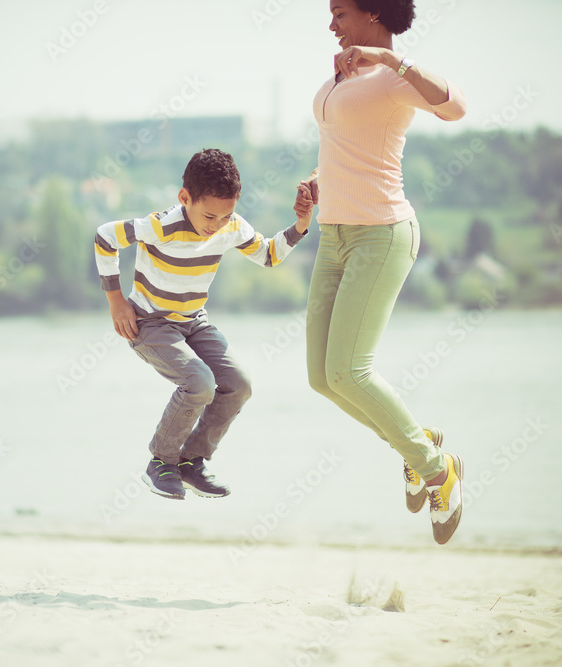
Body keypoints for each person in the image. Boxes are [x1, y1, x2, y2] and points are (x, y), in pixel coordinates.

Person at [294, 0, 468, 544]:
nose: (331, 24)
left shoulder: (394, 77)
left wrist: (391, 60)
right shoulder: (344, 74)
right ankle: (419, 443)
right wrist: (319, 180)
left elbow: (456, 107)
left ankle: (437, 471)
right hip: (334, 235)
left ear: (373, 13)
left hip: (381, 234)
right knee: (322, 377)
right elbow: (349, 143)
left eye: (340, 13)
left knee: (350, 371)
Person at [95, 148, 313, 500]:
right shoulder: (161, 226)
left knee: (239, 384)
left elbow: (269, 255)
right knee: (199, 383)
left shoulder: (232, 226)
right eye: (209, 215)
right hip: (150, 324)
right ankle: (161, 462)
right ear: (185, 198)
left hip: (193, 323)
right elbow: (105, 237)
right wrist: (116, 301)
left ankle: (190, 462)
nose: (216, 226)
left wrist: (301, 224)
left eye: (225, 217)